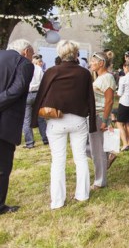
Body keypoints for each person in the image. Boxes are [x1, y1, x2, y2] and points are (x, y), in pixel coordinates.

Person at [31, 40, 96, 210]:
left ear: (60, 54)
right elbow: (91, 98)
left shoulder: (51, 72)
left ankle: (58, 201)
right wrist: (93, 122)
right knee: (80, 158)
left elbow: (40, 95)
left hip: (56, 121)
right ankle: (82, 194)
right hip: (78, 119)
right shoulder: (84, 73)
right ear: (76, 53)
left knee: (57, 161)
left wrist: (33, 120)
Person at [0, 39, 34, 215]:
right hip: (5, 122)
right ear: (26, 51)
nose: (32, 57)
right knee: (3, 167)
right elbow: (17, 89)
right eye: (32, 54)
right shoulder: (25, 64)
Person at [88, 52, 117, 190]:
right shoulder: (100, 78)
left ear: (101, 63)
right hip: (95, 115)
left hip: (99, 116)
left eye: (93, 61)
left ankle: (100, 181)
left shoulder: (107, 77)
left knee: (96, 150)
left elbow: (109, 100)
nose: (90, 63)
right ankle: (108, 155)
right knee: (90, 148)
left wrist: (105, 120)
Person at [22, 54, 48, 148]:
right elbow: (43, 81)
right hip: (37, 93)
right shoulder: (38, 68)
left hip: (28, 93)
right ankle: (45, 138)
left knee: (26, 119)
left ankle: (30, 142)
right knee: (41, 118)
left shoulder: (24, 68)